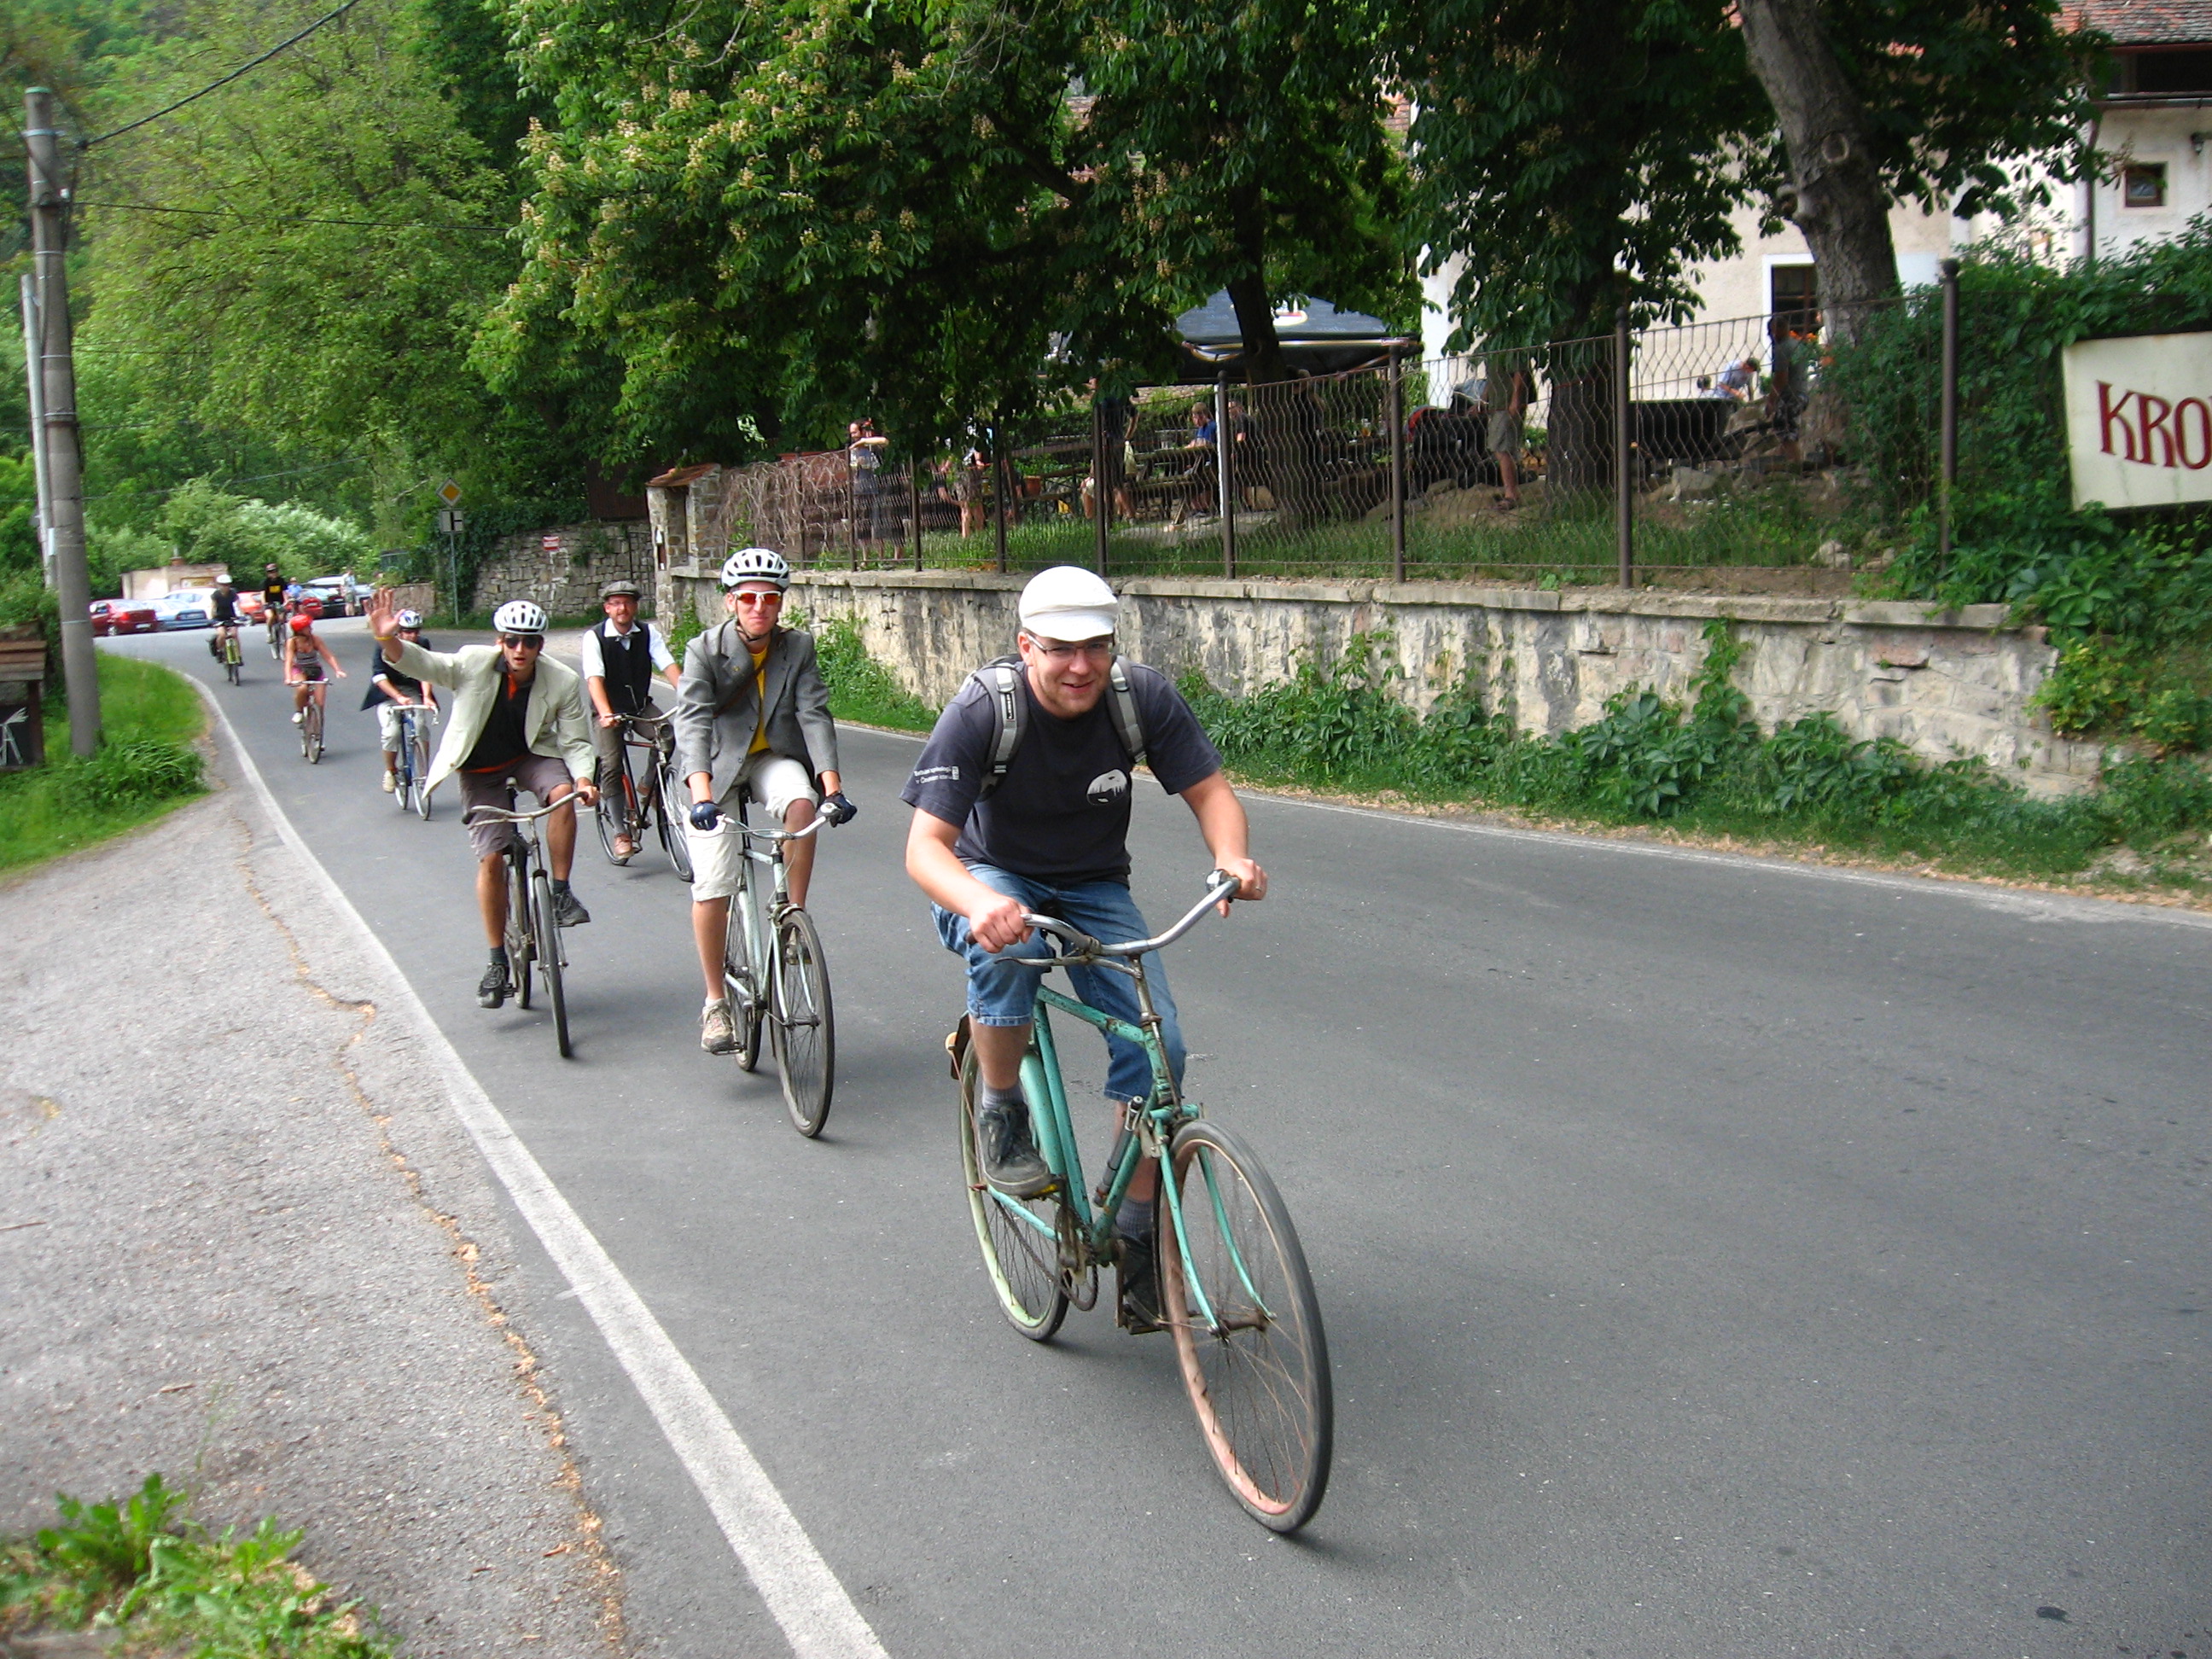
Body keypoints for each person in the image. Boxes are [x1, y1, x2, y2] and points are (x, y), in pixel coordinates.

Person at [900, 565, 1268, 1332]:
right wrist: (981, 903)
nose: (1080, 666)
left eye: (1095, 647)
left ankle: (1135, 1234)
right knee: (1008, 954)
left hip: (1095, 884)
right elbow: (925, 849)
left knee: (1161, 1050)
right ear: (1025, 646)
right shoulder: (983, 709)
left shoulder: (1140, 698)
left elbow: (1211, 793)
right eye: (1060, 649)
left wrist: (1231, 857)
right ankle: (1002, 1109)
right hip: (990, 877)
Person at [364, 590, 600, 1010]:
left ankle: (561, 892)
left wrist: (584, 779)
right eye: (512, 640)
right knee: (491, 859)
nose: (520, 649)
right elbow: (426, 664)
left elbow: (577, 741)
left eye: (529, 642)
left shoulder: (562, 679)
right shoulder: (473, 662)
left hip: (531, 756)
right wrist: (388, 641)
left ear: (541, 645)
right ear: (500, 641)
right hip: (480, 767)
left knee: (564, 794)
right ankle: (496, 963)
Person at [676, 547, 853, 1054]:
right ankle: (715, 1003)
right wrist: (702, 797)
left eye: (770, 598)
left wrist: (833, 787)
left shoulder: (797, 647)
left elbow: (814, 714)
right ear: (731, 601)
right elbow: (693, 724)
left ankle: (793, 917)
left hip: (771, 756)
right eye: (749, 598)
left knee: (802, 805)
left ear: (780, 602)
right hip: (715, 770)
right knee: (714, 884)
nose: (760, 607)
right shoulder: (704, 650)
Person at [579, 579, 681, 860]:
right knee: (611, 764)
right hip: (608, 709)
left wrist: (688, 696)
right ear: (607, 608)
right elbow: (594, 679)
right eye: (615, 603)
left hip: (639, 705)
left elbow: (668, 665)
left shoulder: (648, 633)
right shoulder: (595, 637)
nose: (622, 608)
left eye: (627, 603)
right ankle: (620, 832)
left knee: (666, 734)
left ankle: (648, 784)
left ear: (635, 606)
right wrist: (605, 713)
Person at [362, 608, 437, 792]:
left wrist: (427, 696)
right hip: (388, 692)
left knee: (420, 726)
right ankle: (390, 771)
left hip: (412, 690)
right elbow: (379, 677)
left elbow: (426, 672)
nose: (413, 636)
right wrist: (398, 697)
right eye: (408, 632)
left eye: (416, 632)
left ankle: (424, 771)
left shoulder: (423, 644)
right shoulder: (383, 645)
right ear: (399, 632)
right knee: (391, 733)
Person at [1487, 354, 1530, 510]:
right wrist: (1483, 400)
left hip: (1507, 405)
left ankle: (1511, 495)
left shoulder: (1508, 345)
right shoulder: (1491, 349)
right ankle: (1511, 490)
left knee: (1502, 448)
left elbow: (1520, 372)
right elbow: (1492, 379)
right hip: (1497, 404)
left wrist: (1515, 400)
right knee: (1502, 448)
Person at [284, 613, 343, 725]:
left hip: (315, 670)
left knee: (320, 702)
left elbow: (328, 655)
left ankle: (318, 727)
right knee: (302, 689)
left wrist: (337, 670)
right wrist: (288, 678)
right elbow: (289, 661)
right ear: (299, 630)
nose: (311, 629)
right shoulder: (292, 642)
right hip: (300, 670)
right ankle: (299, 711)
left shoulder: (315, 639)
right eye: (307, 627)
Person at [847, 418, 889, 547]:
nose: (853, 436)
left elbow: (884, 441)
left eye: (855, 432)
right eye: (851, 433)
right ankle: (865, 556)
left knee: (878, 526)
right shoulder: (853, 450)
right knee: (862, 526)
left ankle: (881, 555)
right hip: (860, 490)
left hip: (876, 490)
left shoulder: (874, 447)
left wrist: (864, 442)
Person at [207, 576, 241, 659]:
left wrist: (241, 615)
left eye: (227, 585)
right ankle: (219, 651)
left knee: (234, 634)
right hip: (219, 618)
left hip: (231, 617)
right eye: (223, 585)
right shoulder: (216, 595)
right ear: (219, 585)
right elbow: (213, 607)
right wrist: (211, 618)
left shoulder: (233, 593)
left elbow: (237, 605)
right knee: (222, 634)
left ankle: (238, 655)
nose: (226, 587)